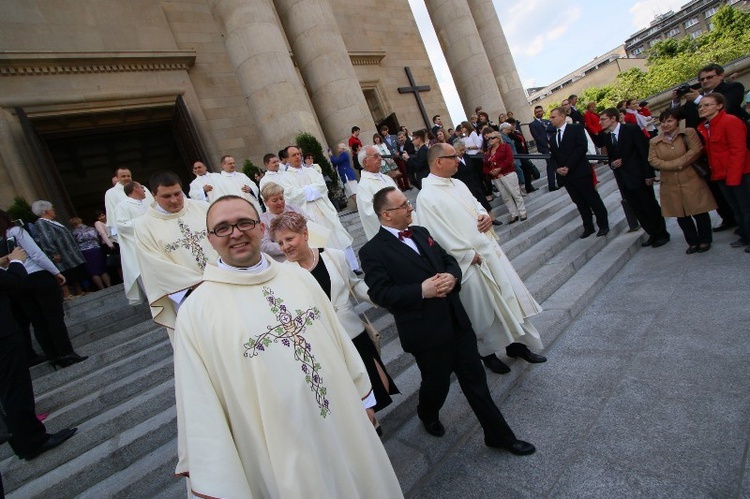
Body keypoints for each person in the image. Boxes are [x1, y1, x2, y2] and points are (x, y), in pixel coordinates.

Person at [172, 195, 403, 498]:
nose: (236, 233)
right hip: (278, 451)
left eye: (244, 223)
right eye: (223, 228)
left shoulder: (297, 277)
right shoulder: (197, 311)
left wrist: (363, 399)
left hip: (343, 421)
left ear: (260, 228)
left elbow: (338, 342)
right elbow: (199, 399)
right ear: (210, 239)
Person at [359, 187, 535, 455]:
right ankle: (426, 412)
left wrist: (453, 277)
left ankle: (499, 436)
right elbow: (381, 293)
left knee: (475, 382)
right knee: (436, 383)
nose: (410, 208)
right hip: (425, 333)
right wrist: (421, 290)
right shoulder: (372, 251)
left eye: (408, 203)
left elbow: (449, 260)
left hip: (456, 321)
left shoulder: (421, 233)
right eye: (404, 205)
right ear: (386, 215)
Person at [417, 143, 546, 373]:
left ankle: (517, 345)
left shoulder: (457, 183)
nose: (459, 160)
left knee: (508, 298)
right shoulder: (426, 196)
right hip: (470, 262)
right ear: (438, 162)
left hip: (489, 252)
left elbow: (476, 205)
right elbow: (436, 233)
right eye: (453, 157)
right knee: (485, 311)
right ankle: (488, 353)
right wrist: (467, 255)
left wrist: (484, 215)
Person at [270, 211, 400, 418]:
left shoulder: (334, 256)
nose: (285, 246)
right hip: (326, 343)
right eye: (280, 242)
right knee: (349, 396)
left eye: (289, 238)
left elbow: (354, 285)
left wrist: (384, 297)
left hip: (354, 333)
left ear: (304, 233)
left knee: (375, 385)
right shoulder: (284, 274)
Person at [0, 246, 78, 463]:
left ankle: (23, 440)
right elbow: (12, 283)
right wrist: (16, 262)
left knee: (9, 391)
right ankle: (33, 440)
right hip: (3, 336)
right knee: (15, 389)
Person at [1, 209, 88, 368]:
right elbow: (36, 253)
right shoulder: (16, 231)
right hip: (37, 275)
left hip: (17, 280)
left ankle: (53, 357)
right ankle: (66, 352)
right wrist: (55, 271)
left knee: (37, 321)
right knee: (54, 317)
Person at [134, 171, 218, 332]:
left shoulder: (203, 208)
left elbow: (226, 239)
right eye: (166, 196)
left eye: (177, 193)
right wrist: (199, 284)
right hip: (187, 296)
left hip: (224, 284)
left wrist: (223, 274)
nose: (174, 200)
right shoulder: (144, 226)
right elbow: (154, 265)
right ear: (153, 195)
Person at [672, 63, 749, 232]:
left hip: (734, 155)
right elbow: (674, 116)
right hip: (710, 155)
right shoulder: (693, 101)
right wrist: (677, 101)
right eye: (701, 79)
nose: (705, 81)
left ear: (720, 76)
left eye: (709, 77)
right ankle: (731, 220)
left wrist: (700, 100)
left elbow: (731, 107)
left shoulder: (732, 88)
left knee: (742, 197)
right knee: (721, 194)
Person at [274, 146, 359, 271]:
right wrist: (311, 190)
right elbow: (291, 194)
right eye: (294, 155)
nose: (298, 157)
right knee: (320, 244)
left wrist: (305, 191)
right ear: (287, 159)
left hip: (324, 211)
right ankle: (333, 270)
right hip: (308, 215)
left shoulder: (312, 171)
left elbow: (322, 187)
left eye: (299, 154)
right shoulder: (284, 178)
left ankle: (352, 267)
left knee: (338, 237)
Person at [600, 108, 670, 248]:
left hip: (639, 176)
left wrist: (649, 174)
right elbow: (612, 158)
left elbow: (643, 152)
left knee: (649, 206)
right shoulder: (607, 137)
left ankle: (662, 234)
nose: (600, 122)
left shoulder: (631, 130)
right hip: (624, 180)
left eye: (603, 119)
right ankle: (652, 233)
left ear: (613, 118)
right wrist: (614, 163)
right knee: (637, 209)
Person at [648, 109, 716, 254]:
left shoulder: (688, 133)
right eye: (663, 122)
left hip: (691, 177)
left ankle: (705, 239)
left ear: (677, 121)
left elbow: (695, 150)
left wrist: (677, 163)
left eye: (670, 121)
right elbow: (653, 160)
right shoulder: (655, 141)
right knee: (681, 214)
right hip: (670, 182)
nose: (666, 124)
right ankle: (692, 241)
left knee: (699, 210)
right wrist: (672, 166)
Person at [696, 93, 750, 252]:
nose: (702, 108)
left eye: (707, 105)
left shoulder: (730, 121)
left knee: (746, 208)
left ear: (719, 105)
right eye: (701, 106)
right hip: (722, 175)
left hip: (739, 174)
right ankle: (745, 236)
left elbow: (738, 150)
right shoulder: (707, 126)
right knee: (736, 209)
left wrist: (733, 177)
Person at [548, 107, 610, 239]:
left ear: (562, 116)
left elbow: (581, 147)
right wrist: (557, 169)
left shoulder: (575, 129)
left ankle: (603, 225)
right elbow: (553, 157)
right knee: (580, 203)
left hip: (580, 172)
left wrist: (568, 166)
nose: (550, 120)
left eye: (553, 117)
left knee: (592, 199)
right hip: (567, 177)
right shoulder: (553, 137)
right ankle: (588, 227)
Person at [32, 200, 90, 298]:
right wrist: (54, 252)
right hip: (60, 253)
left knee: (73, 271)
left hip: (68, 252)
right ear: (46, 211)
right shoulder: (41, 223)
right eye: (52, 209)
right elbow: (46, 238)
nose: (54, 211)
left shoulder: (52, 222)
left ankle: (79, 291)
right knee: (63, 272)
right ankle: (67, 294)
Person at [115, 181, 150, 304]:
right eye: (142, 187)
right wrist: (143, 221)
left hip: (151, 243)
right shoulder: (123, 206)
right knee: (145, 276)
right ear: (135, 189)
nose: (144, 190)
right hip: (137, 246)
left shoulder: (146, 204)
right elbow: (121, 225)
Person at [258, 182, 310, 262]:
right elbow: (264, 246)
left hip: (307, 252)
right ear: (266, 202)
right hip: (285, 260)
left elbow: (311, 225)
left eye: (281, 198)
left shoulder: (294, 208)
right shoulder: (263, 220)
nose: (280, 202)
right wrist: (290, 246)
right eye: (275, 200)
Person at [484, 131, 526, 224]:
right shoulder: (488, 152)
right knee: (505, 197)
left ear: (498, 139)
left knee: (515, 194)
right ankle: (513, 214)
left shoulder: (505, 147)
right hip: (496, 178)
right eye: (488, 138)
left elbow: (509, 159)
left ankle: (522, 211)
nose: (490, 140)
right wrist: (490, 172)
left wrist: (500, 168)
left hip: (508, 174)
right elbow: (485, 166)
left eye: (492, 138)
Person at [357, 145, 398, 241]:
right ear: (365, 162)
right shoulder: (363, 186)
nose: (380, 158)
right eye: (375, 156)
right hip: (391, 235)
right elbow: (370, 214)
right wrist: (396, 215)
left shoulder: (386, 178)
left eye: (379, 155)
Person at [104, 167, 154, 241]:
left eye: (128, 176)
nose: (127, 178)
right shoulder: (111, 193)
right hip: (129, 231)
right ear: (117, 177)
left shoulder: (142, 188)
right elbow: (111, 212)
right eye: (123, 176)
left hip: (150, 227)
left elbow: (152, 204)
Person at [69, 216, 111, 290]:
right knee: (103, 269)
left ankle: (102, 288)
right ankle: (109, 286)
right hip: (96, 249)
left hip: (85, 252)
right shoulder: (91, 228)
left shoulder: (73, 232)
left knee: (93, 272)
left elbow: (74, 243)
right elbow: (98, 237)